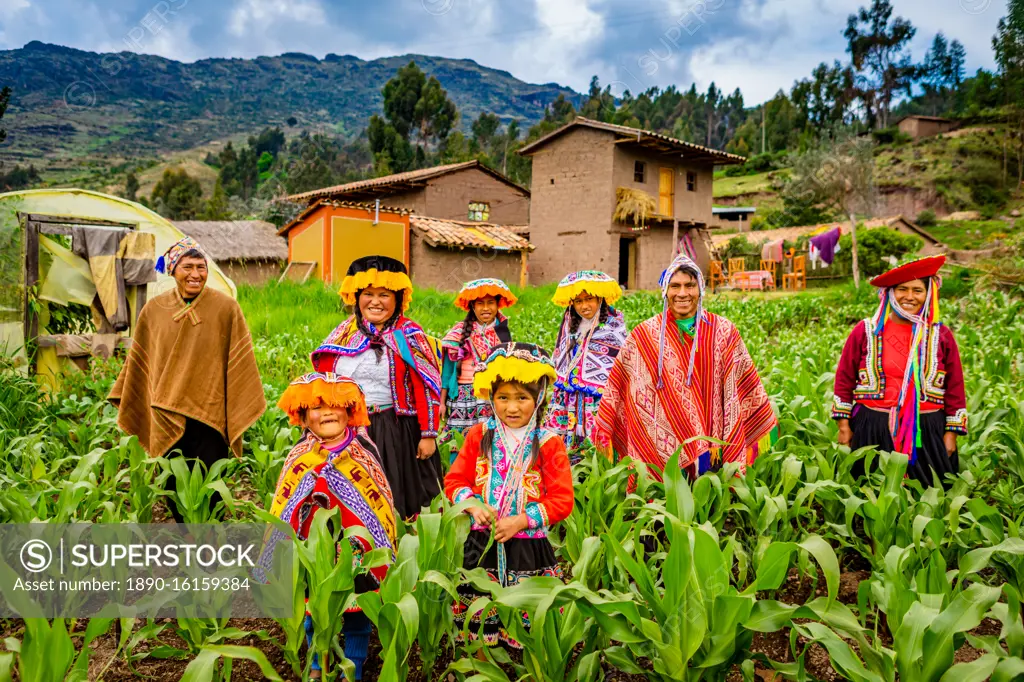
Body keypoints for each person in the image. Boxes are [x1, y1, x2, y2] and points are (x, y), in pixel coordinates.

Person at [108, 236, 265, 522]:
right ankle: (184, 535)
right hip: (165, 411)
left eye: (201, 267)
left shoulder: (225, 308)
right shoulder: (154, 311)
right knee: (173, 481)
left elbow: (239, 361)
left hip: (210, 414)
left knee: (210, 482)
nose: (195, 274)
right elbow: (142, 362)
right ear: (173, 270)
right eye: (187, 267)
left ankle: (209, 540)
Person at [260, 372, 396, 680]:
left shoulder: (363, 454)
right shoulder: (299, 457)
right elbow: (284, 506)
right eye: (318, 408)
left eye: (336, 405)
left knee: (357, 613)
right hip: (312, 552)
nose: (328, 413)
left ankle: (354, 668)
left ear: (350, 411)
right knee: (312, 611)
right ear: (303, 416)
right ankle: (317, 664)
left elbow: (381, 506)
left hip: (357, 553)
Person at [593, 254, 777, 481]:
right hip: (659, 448)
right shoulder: (644, 335)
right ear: (665, 291)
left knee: (709, 502)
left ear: (700, 289)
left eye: (690, 286)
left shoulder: (724, 332)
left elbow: (743, 385)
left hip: (713, 448)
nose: (682, 293)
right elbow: (620, 387)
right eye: (675, 286)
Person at [445, 342, 573, 648]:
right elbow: (455, 480)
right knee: (478, 624)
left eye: (522, 398)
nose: (512, 408)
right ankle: (481, 664)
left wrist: (522, 520)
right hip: (481, 542)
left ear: (539, 398)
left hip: (528, 546)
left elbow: (562, 499)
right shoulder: (480, 434)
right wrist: (473, 505)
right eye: (503, 397)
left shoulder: (548, 442)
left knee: (526, 628)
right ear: (491, 396)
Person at [311, 255, 443, 519]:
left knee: (392, 494)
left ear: (397, 299)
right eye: (368, 293)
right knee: (348, 495)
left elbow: (426, 387)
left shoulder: (409, 335)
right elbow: (324, 382)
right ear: (357, 297)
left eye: (384, 294)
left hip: (394, 431)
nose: (375, 301)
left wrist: (428, 434)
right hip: (345, 430)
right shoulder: (344, 334)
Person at [832, 255, 967, 487]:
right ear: (889, 293)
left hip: (926, 431)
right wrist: (844, 426)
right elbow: (844, 378)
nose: (909, 296)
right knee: (870, 494)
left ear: (929, 295)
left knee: (930, 496)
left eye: (918, 290)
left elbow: (955, 386)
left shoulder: (940, 335)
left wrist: (951, 433)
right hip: (872, 427)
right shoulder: (866, 331)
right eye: (902, 289)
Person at [544, 271, 627, 464]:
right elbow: (561, 356)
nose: (584, 306)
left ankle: (599, 471)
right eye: (578, 301)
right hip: (570, 397)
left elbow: (618, 363)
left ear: (600, 299)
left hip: (598, 398)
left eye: (589, 299)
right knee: (568, 441)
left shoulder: (612, 328)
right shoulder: (569, 326)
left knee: (598, 440)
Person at [439, 278, 516, 449]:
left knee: (489, 440)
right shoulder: (459, 332)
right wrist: (442, 402)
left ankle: (485, 473)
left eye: (490, 303)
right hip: (461, 396)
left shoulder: (502, 334)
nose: (486, 308)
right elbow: (447, 371)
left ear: (498, 306)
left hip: (489, 396)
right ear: (473, 307)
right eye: (480, 303)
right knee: (457, 442)